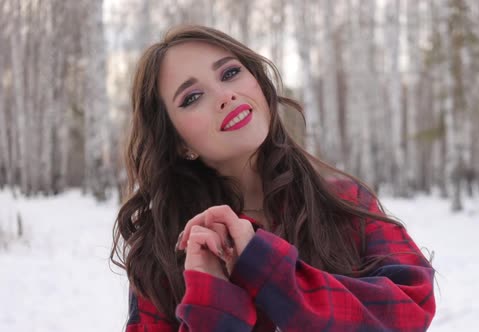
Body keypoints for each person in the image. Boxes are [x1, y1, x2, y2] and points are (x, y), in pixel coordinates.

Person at [110, 25, 436, 332]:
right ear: (179, 142)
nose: (226, 96)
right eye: (192, 97)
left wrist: (268, 269)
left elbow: (410, 307)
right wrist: (211, 300)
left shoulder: (344, 200)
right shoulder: (163, 249)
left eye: (231, 73)